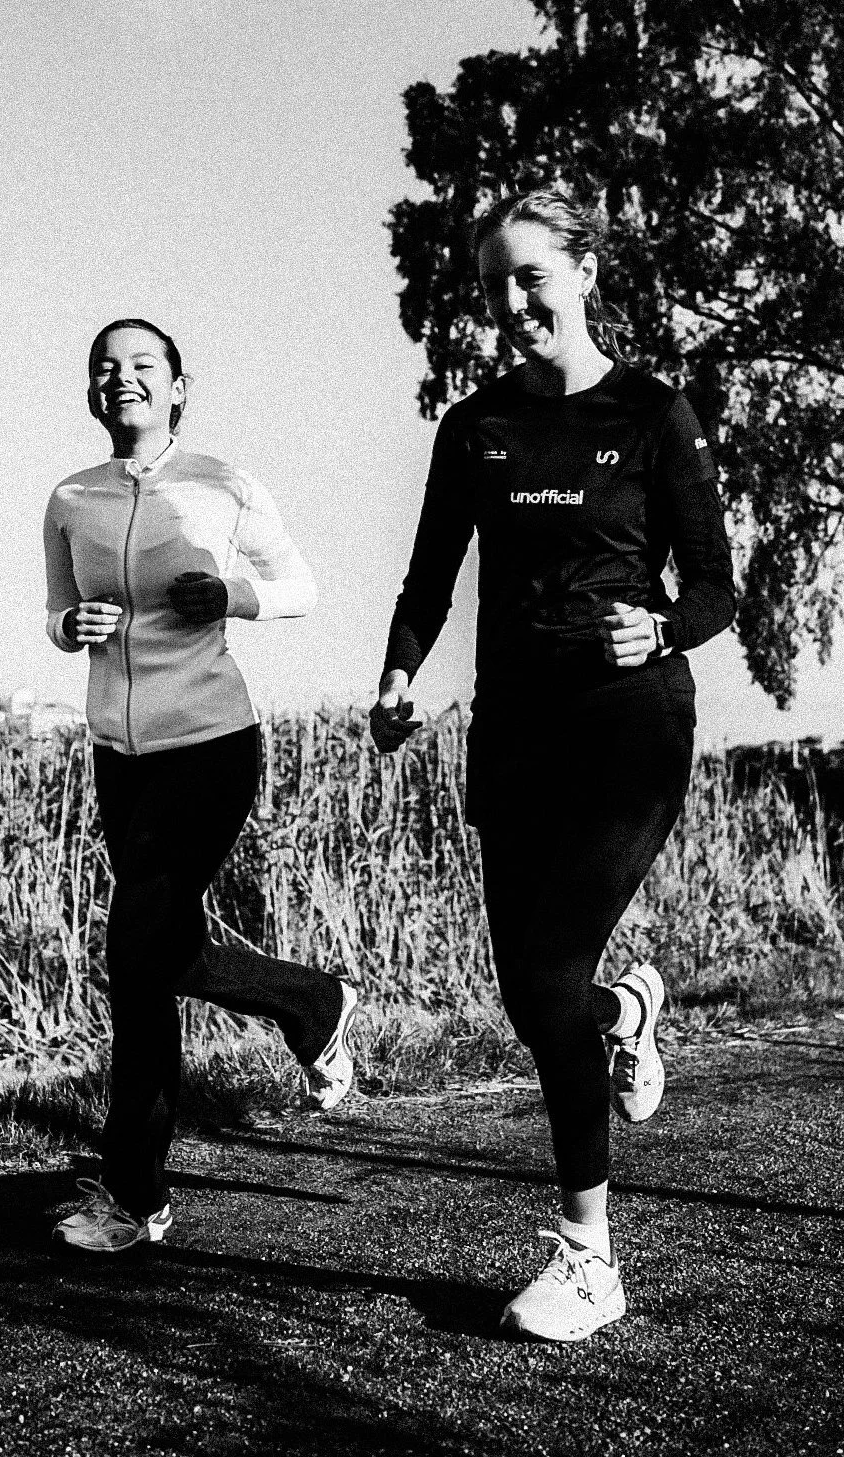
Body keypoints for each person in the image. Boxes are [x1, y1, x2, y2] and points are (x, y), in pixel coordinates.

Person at [370, 187, 735, 1341]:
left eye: (531, 275)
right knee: (533, 991)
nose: (512, 301)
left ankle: (590, 1259)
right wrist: (397, 674)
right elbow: (430, 577)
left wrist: (664, 623)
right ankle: (624, 1007)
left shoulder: (652, 411)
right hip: (515, 728)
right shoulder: (473, 427)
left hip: (629, 722)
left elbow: (717, 586)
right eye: (493, 285)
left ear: (583, 271)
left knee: (539, 975)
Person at [44, 317, 357, 1254]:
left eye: (143, 365)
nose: (122, 378)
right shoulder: (70, 497)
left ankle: (134, 1198)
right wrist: (76, 625)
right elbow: (56, 612)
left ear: (179, 387)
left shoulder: (221, 483)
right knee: (150, 956)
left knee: (134, 952)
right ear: (92, 391)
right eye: (106, 367)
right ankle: (311, 1003)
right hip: (119, 753)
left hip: (212, 741)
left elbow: (299, 583)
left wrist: (232, 597)